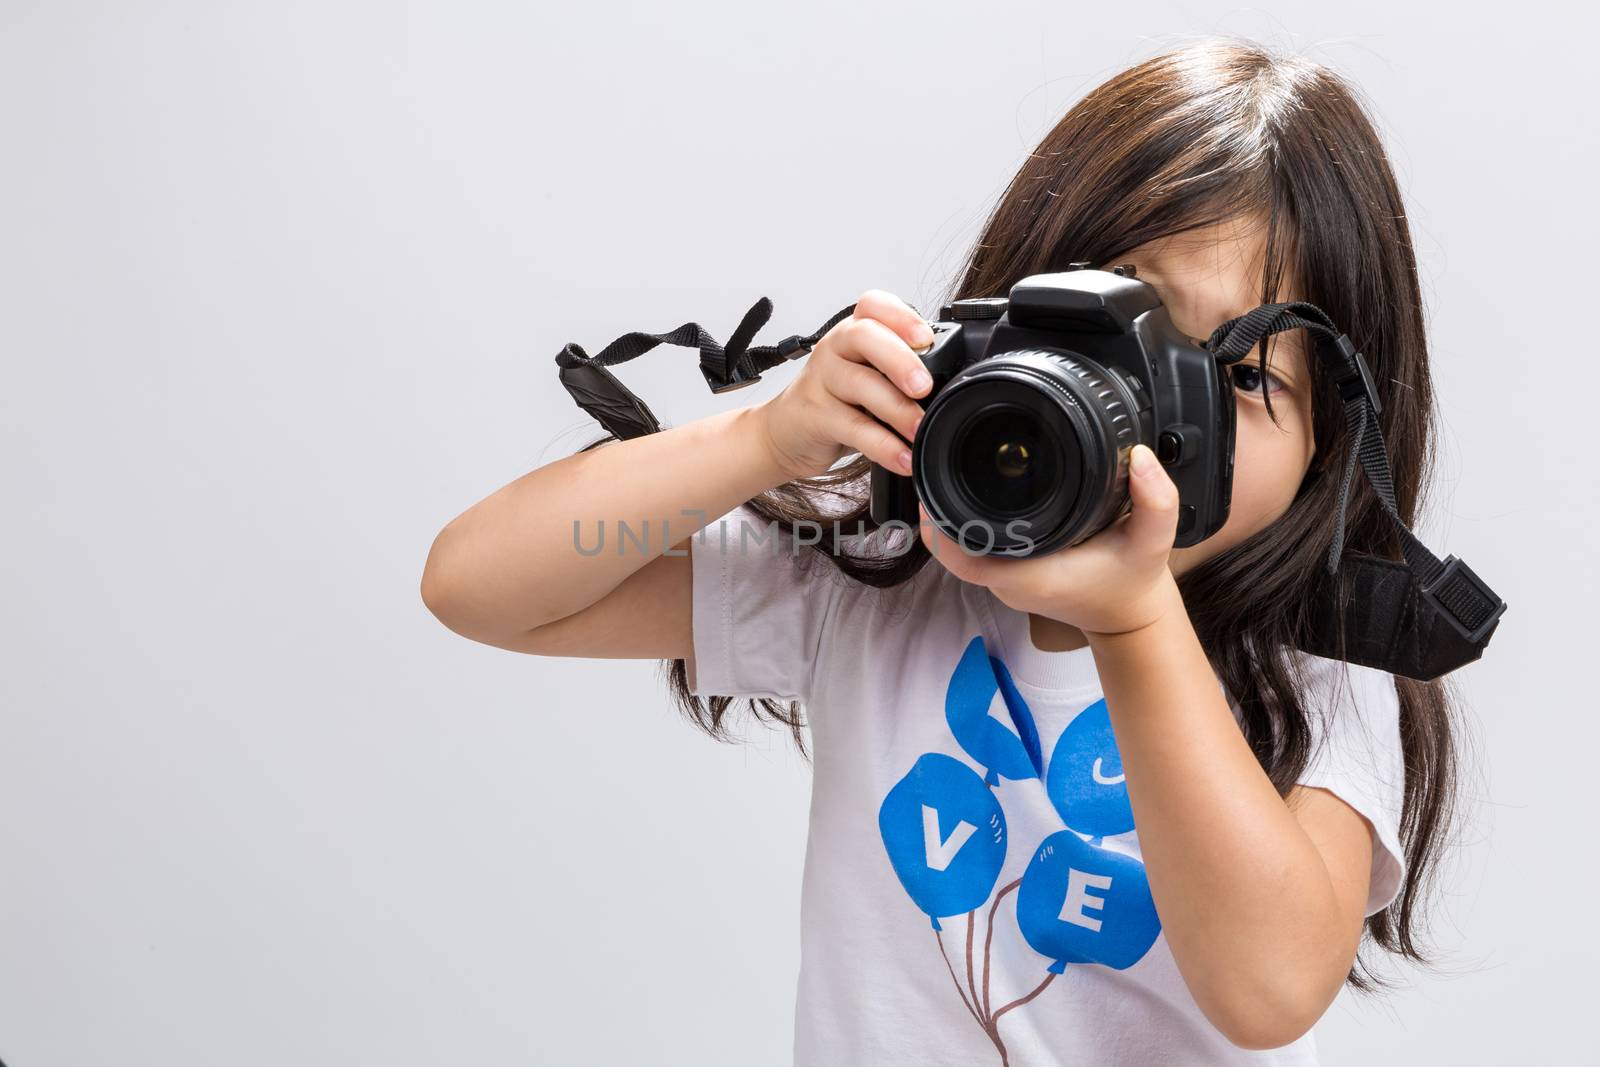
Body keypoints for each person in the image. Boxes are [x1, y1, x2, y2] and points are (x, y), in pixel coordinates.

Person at [421, 37, 1465, 1066]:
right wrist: (761, 440)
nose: (1156, 409)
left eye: (1243, 378)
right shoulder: (885, 566)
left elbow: (1267, 991)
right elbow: (481, 587)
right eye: (1118, 332)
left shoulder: (1315, 662)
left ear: (1331, 443)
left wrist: (1134, 617)